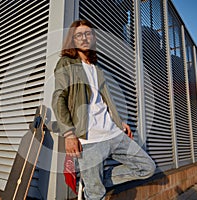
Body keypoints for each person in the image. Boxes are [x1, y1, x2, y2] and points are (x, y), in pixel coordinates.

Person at [52, 19, 156, 200]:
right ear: (72, 40)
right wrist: (69, 134)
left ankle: (93, 180)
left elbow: (102, 101)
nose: (84, 38)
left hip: (112, 133)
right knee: (96, 195)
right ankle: (92, 184)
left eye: (88, 34)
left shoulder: (97, 68)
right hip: (89, 140)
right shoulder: (66, 63)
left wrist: (119, 122)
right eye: (79, 35)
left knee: (147, 167)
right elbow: (58, 99)